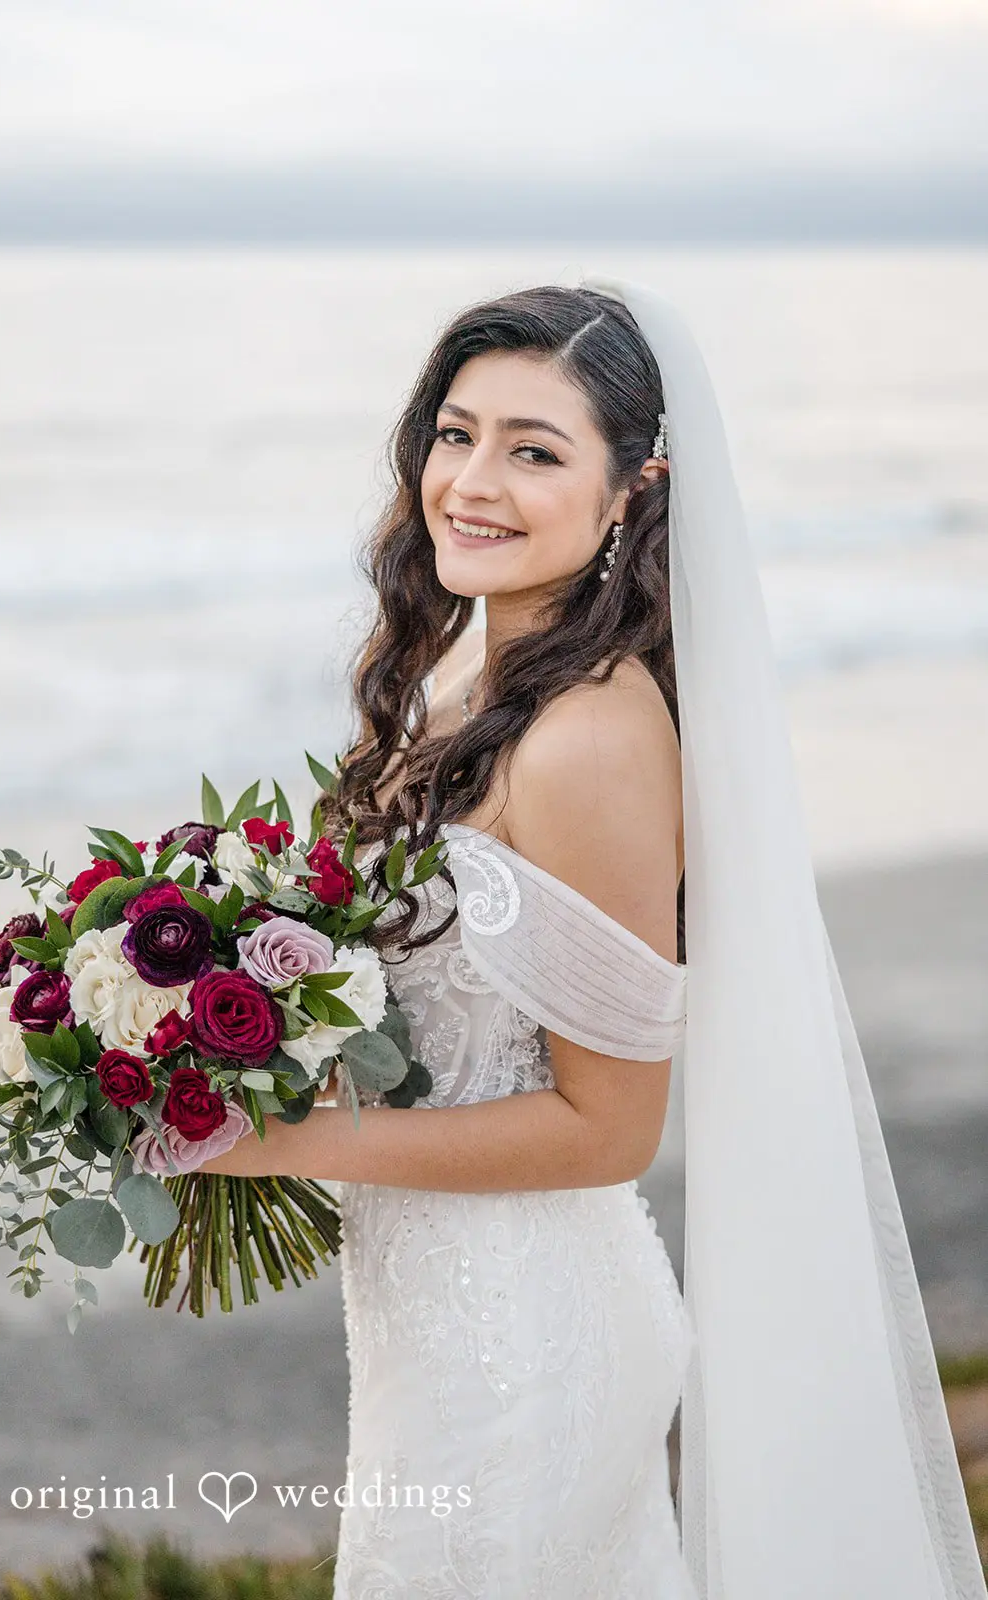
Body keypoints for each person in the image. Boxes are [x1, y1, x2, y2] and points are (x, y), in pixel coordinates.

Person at [200, 278, 987, 1598]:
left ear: (634, 486)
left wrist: (280, 1139)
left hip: (522, 1341)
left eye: (534, 450)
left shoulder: (589, 739)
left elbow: (609, 1128)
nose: (471, 483)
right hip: (434, 1316)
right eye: (456, 434)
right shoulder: (476, 684)